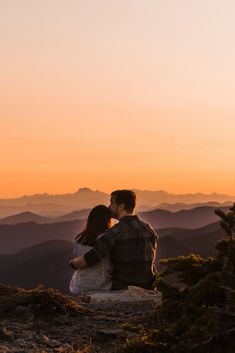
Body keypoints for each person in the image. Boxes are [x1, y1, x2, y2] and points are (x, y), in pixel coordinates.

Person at [70, 190, 158, 290]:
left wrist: (72, 263)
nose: (109, 207)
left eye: (112, 202)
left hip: (124, 288)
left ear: (121, 206)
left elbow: (92, 257)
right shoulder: (149, 229)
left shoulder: (114, 232)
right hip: (148, 286)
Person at [69, 205, 113, 294]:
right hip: (101, 287)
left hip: (78, 286)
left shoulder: (79, 238)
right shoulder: (107, 240)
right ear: (107, 221)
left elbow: (77, 260)